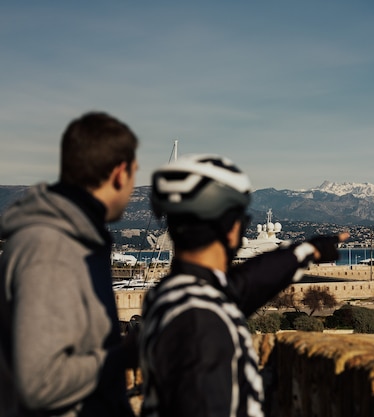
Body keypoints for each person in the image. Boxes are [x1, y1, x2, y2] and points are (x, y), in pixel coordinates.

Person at [140, 154, 348, 417]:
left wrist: (310, 251)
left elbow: (245, 284)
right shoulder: (200, 321)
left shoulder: (171, 294)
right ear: (229, 228)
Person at [0, 112, 140, 417]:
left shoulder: (77, 239)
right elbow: (41, 382)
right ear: (120, 173)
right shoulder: (49, 247)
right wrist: (125, 354)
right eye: (134, 174)